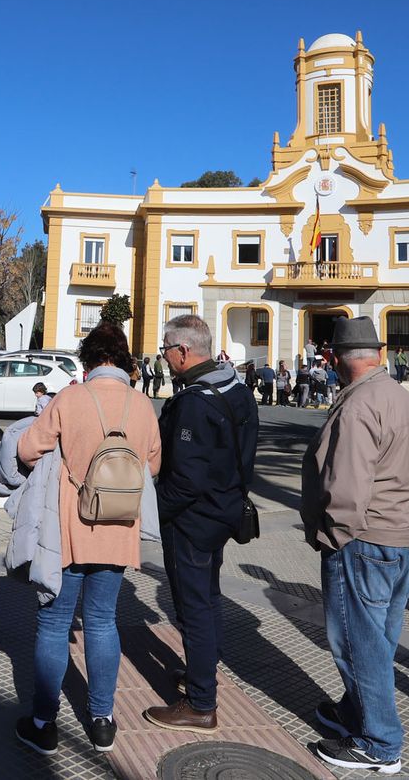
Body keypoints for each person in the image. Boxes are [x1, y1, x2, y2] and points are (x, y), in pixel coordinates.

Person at [13, 324, 161, 755]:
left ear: (89, 359)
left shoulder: (70, 398)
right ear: (124, 359)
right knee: (102, 621)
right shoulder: (143, 404)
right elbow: (152, 466)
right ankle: (101, 721)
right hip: (118, 529)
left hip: (69, 530)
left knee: (55, 624)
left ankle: (43, 723)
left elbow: (27, 450)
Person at [302, 317, 409, 774]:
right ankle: (357, 713)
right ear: (377, 353)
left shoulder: (358, 406)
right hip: (400, 537)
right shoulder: (398, 395)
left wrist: (333, 538)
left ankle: (380, 742)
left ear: (335, 358)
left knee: (357, 643)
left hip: (363, 540)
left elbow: (347, 486)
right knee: (379, 637)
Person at [143, 314, 257, 732]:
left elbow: (185, 479)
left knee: (193, 608)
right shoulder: (236, 388)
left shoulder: (194, 401)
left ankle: (200, 703)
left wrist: (152, 511)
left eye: (166, 350)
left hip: (193, 521)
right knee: (208, 600)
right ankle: (201, 675)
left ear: (184, 352)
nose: (165, 357)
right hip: (224, 511)